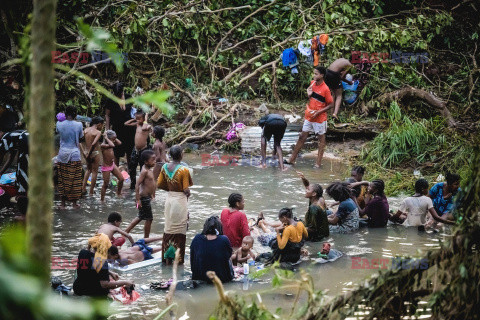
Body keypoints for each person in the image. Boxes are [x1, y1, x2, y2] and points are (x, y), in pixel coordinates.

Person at [286, 66, 334, 168]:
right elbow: (312, 99)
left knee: (321, 141)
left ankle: (318, 164)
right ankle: (292, 159)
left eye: (316, 74)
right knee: (302, 137)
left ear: (322, 75)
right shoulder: (312, 83)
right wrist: (309, 94)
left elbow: (330, 105)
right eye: (314, 73)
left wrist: (318, 112)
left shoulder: (325, 89)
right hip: (309, 116)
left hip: (320, 118)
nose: (314, 75)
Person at [157, 145, 193, 264]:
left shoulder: (164, 167)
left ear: (170, 155)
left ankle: (167, 258)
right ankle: (177, 259)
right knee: (179, 230)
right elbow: (186, 189)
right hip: (180, 201)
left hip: (170, 199)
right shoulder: (184, 170)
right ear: (181, 155)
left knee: (168, 229)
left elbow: (160, 184)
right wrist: (188, 193)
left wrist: (171, 189)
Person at [390, 179, 454, 227]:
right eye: (427, 188)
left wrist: (389, 217)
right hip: (422, 228)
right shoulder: (427, 200)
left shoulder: (406, 200)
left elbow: (396, 216)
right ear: (423, 189)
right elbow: (436, 217)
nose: (428, 191)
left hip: (408, 228)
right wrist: (452, 223)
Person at [190, 216, 234, 283]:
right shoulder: (224, 239)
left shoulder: (197, 238)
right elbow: (228, 255)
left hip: (200, 277)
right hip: (222, 278)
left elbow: (192, 258)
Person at [56, 106, 84, 209]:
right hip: (74, 154)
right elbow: (81, 137)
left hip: (62, 154)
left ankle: (62, 204)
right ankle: (74, 204)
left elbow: (59, 132)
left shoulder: (59, 124)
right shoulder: (79, 124)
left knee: (63, 179)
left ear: (65, 113)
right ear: (75, 114)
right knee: (75, 180)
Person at [125, 150, 156, 238]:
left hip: (146, 197)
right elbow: (137, 185)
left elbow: (151, 183)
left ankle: (126, 231)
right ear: (146, 162)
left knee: (141, 216)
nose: (155, 161)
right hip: (143, 198)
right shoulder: (144, 171)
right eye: (152, 160)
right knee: (149, 219)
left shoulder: (149, 169)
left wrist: (153, 194)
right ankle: (146, 238)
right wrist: (138, 200)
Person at [104, 82, 135, 167]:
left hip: (130, 129)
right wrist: (107, 129)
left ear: (122, 92)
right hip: (117, 128)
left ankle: (130, 171)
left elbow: (133, 111)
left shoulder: (128, 97)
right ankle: (116, 172)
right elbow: (107, 116)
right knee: (117, 151)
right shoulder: (110, 100)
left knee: (129, 151)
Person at [297, 172, 329, 241]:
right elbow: (308, 186)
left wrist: (296, 229)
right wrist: (303, 178)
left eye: (308, 190)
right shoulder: (320, 199)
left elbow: (313, 229)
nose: (306, 190)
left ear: (314, 194)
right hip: (324, 233)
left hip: (316, 237)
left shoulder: (314, 207)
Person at [125, 110, 152, 190]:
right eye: (136, 118)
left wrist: (146, 119)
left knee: (142, 168)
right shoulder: (137, 124)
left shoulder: (147, 126)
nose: (137, 120)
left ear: (144, 119)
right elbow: (126, 124)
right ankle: (133, 184)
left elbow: (144, 128)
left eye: (139, 118)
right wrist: (134, 119)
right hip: (136, 149)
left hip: (144, 150)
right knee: (132, 167)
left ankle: (142, 185)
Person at [0, 129, 29, 194]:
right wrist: (1, 172)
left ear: (1, 132)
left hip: (26, 141)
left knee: (22, 167)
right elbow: (11, 158)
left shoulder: (5, 138)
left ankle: (23, 192)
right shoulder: (12, 138)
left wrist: (1, 172)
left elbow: (1, 155)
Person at [81, 116, 104, 196]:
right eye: (102, 125)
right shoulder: (98, 132)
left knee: (88, 170)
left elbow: (80, 141)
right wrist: (90, 153)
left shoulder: (86, 130)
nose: (102, 127)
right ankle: (91, 191)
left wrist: (84, 152)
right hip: (94, 153)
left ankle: (83, 188)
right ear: (99, 124)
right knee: (94, 172)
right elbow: (94, 143)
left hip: (86, 153)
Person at [100, 130, 124, 201]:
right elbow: (112, 145)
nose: (114, 141)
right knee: (106, 184)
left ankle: (118, 193)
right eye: (113, 139)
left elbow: (119, 143)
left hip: (112, 165)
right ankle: (102, 200)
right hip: (106, 167)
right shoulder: (103, 145)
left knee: (121, 179)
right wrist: (106, 138)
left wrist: (114, 138)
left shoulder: (111, 142)